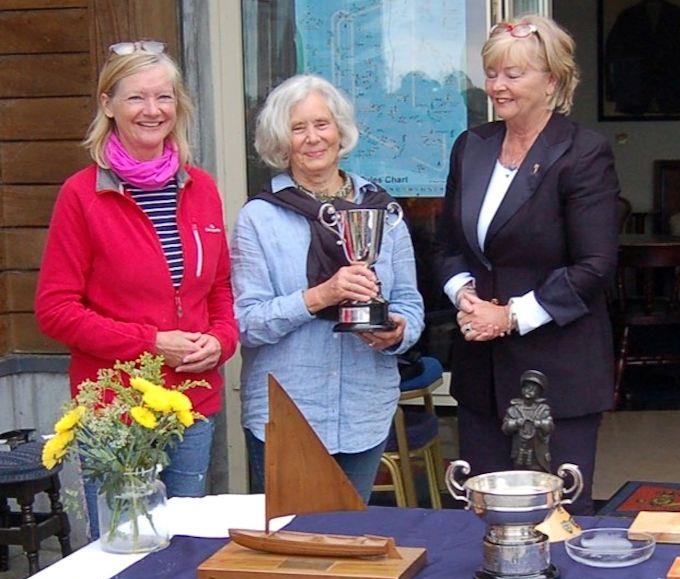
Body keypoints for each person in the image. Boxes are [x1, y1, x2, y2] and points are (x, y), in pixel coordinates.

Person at [35, 41, 237, 537]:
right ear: (108, 105)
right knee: (121, 549)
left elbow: (220, 290)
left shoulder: (201, 187)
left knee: (183, 547)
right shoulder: (82, 194)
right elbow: (55, 310)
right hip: (116, 413)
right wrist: (151, 343)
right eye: (136, 98)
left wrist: (221, 341)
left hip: (193, 404)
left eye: (164, 98)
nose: (153, 111)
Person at [433, 15, 619, 514]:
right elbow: (448, 243)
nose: (497, 85)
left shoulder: (583, 153)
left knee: (553, 526)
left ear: (552, 81)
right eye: (492, 73)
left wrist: (510, 316)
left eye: (513, 74)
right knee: (485, 523)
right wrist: (462, 295)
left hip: (557, 374)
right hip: (480, 377)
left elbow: (596, 267)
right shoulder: (471, 146)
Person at [231, 74, 424, 502]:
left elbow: (410, 302)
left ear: (341, 131)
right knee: (294, 546)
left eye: (322, 124)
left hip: (364, 408)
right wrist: (322, 295)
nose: (313, 138)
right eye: (298, 129)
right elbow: (245, 324)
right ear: (282, 143)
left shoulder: (381, 208)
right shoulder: (259, 218)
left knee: (349, 539)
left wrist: (396, 332)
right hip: (287, 413)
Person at [501, 370, 553, 472]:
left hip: (537, 454)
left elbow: (549, 427)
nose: (528, 390)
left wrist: (538, 424)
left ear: (539, 392)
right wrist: (516, 423)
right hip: (519, 452)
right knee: (519, 475)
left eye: (533, 388)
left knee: (538, 475)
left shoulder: (543, 410)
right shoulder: (513, 410)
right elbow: (505, 428)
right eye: (526, 387)